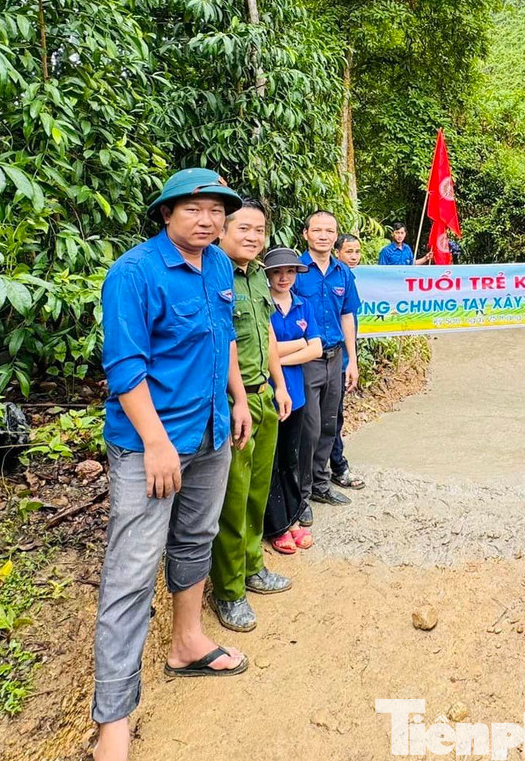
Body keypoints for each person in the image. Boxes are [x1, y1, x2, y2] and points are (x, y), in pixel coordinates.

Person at [92, 168, 252, 761]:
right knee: (131, 575)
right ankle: (113, 722)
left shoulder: (218, 265)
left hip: (211, 430)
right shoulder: (133, 273)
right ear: (166, 214)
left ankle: (187, 642)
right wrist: (156, 443)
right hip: (150, 446)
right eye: (193, 209)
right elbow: (124, 367)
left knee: (195, 540)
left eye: (217, 211)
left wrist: (238, 398)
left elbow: (223, 337)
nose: (207, 220)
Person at [208, 200, 294, 633]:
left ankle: (253, 565)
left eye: (259, 230)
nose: (253, 236)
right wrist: (239, 398)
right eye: (243, 228)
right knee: (233, 498)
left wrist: (280, 385)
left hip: (263, 397)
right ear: (222, 231)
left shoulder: (258, 275)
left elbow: (267, 334)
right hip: (231, 402)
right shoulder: (213, 273)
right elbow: (221, 341)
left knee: (258, 491)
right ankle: (228, 589)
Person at [292, 211, 360, 518]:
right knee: (308, 428)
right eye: (317, 230)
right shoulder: (295, 270)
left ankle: (321, 484)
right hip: (306, 361)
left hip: (336, 359)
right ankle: (301, 496)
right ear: (305, 234)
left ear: (335, 236)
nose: (323, 235)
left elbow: (347, 316)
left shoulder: (342, 272)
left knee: (329, 424)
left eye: (329, 231)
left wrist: (352, 360)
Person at [261, 246, 322, 554]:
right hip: (266, 394)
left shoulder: (303, 305)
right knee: (269, 461)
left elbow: (316, 348)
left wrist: (276, 357)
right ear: (268, 274)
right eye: (277, 272)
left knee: (290, 457)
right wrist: (298, 344)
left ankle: (294, 517)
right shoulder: (261, 305)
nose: (283, 277)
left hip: (295, 394)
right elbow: (261, 347)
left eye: (289, 271)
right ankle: (277, 526)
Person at [328, 234, 364, 489]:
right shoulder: (306, 272)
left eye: (357, 252)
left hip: (341, 361)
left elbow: (348, 318)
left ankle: (337, 465)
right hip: (315, 359)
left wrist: (352, 360)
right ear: (337, 252)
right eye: (349, 251)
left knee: (335, 416)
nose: (353, 256)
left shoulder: (347, 277)